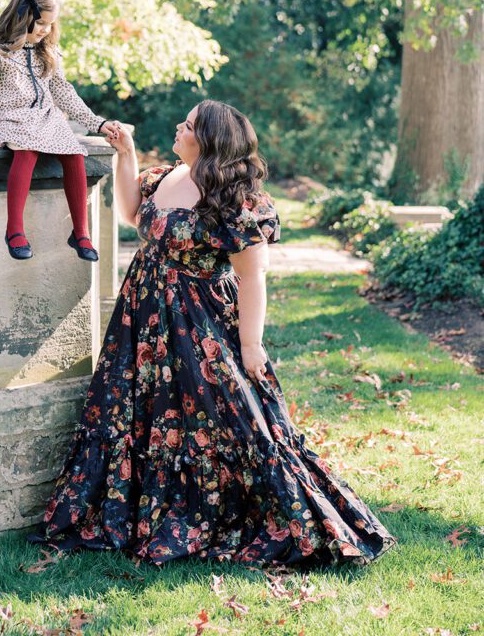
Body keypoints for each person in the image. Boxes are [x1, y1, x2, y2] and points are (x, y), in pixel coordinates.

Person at [26, 100, 398, 568]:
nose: (179, 127)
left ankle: (245, 517)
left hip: (197, 321)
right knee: (143, 412)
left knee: (221, 418)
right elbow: (131, 213)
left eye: (188, 125)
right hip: (143, 315)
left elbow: (252, 278)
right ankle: (139, 512)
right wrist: (127, 154)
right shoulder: (167, 177)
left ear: (209, 141)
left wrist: (250, 344)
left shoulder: (235, 198)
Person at [0, 0, 119, 261]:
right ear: (22, 16)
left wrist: (96, 123)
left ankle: (81, 233)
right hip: (10, 118)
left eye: (50, 25)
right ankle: (14, 230)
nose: (45, 30)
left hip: (46, 117)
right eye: (40, 23)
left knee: (74, 153)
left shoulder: (46, 52)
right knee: (27, 152)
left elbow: (63, 92)